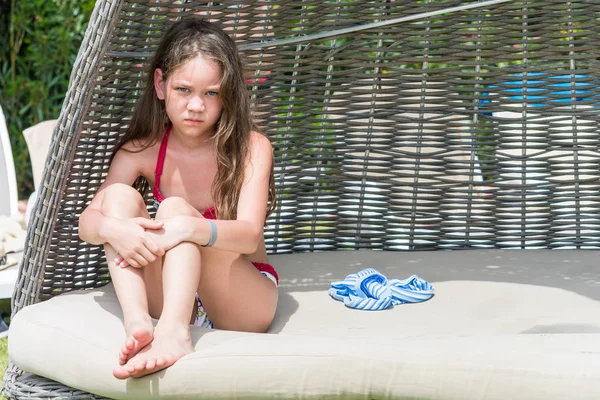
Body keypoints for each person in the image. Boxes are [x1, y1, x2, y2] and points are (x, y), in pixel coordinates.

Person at [78, 16, 279, 380]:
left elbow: (250, 234)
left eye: (211, 93)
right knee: (118, 198)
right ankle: (138, 322)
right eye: (184, 90)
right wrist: (113, 230)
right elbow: (87, 224)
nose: (196, 106)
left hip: (241, 296)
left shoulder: (251, 148)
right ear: (160, 84)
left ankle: (173, 335)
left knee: (172, 210)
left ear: (228, 93)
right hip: (173, 294)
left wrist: (188, 226)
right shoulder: (141, 151)